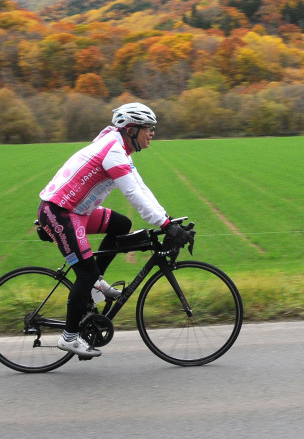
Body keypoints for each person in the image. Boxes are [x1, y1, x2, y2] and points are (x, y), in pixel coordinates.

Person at [36, 102, 191, 358]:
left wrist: (167, 220)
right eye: (148, 128)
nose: (152, 133)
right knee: (84, 274)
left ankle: (97, 284)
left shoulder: (119, 149)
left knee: (122, 225)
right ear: (131, 129)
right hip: (59, 213)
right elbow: (131, 194)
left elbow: (141, 188)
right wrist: (164, 225)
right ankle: (70, 337)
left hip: (76, 213)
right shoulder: (113, 152)